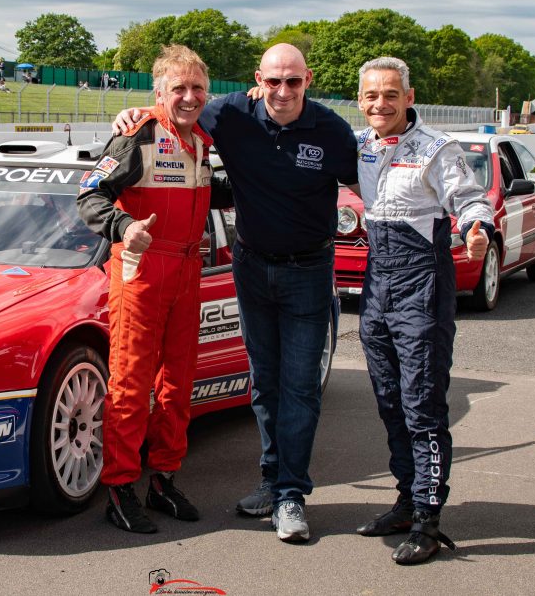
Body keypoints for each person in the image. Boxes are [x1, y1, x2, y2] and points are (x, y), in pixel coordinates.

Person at [114, 44, 359, 542]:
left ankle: (279, 492)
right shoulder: (196, 121)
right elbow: (98, 186)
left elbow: (371, 183)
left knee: (287, 387)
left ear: (308, 79)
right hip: (210, 271)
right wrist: (139, 116)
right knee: (248, 387)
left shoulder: (325, 130)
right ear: (258, 80)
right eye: (274, 81)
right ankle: (132, 489)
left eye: (293, 81)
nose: (283, 91)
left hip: (299, 271)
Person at [78, 44, 225, 534]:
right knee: (130, 383)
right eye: (177, 88)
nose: (188, 96)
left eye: (197, 88)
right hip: (140, 271)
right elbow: (89, 194)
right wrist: (122, 227)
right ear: (159, 92)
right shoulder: (137, 134)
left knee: (177, 382)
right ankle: (119, 488)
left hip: (187, 273)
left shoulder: (204, 141)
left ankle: (163, 478)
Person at [351, 56, 493, 565]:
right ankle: (408, 500)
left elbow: (472, 202)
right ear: (360, 99)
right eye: (371, 95)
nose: (380, 104)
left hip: (423, 287)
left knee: (422, 407)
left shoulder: (437, 148)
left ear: (409, 98)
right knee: (389, 401)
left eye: (390, 94)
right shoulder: (360, 145)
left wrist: (477, 231)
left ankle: (430, 521)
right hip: (376, 287)